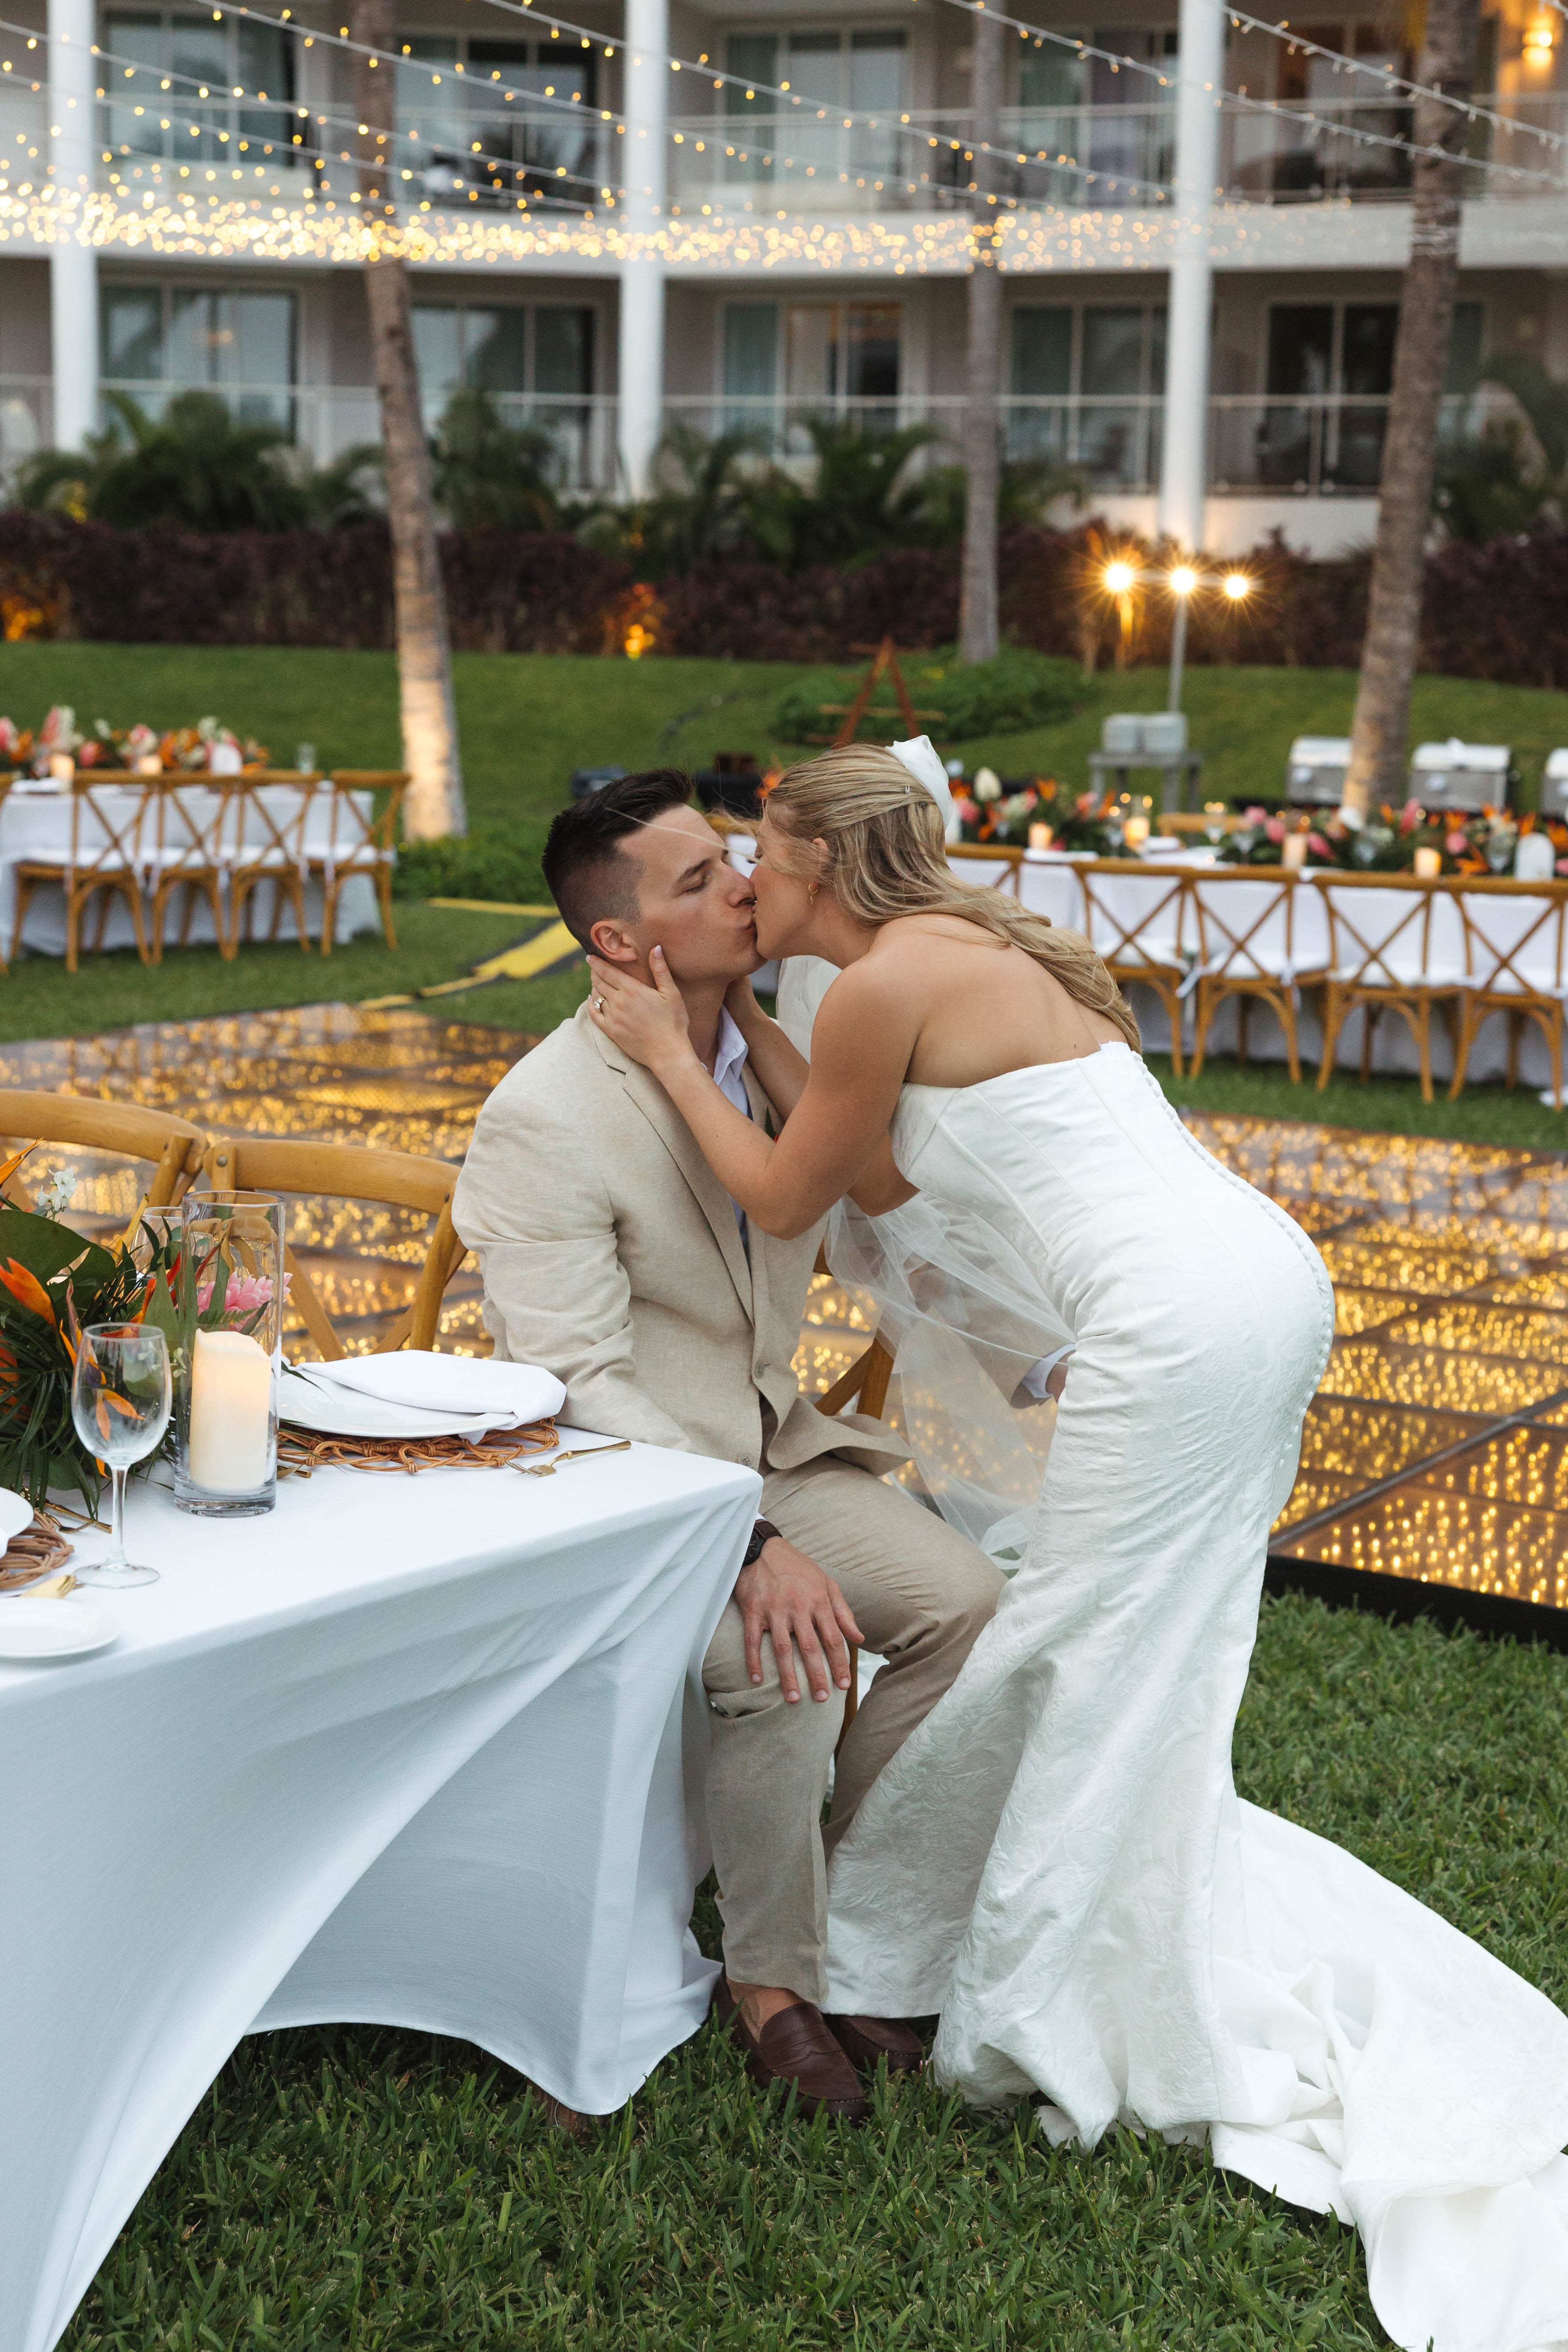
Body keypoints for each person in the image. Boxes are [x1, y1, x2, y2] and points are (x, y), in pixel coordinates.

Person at [584, 741, 1568, 2352]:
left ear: (822, 865)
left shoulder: (892, 980)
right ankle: (946, 1932)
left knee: (1081, 1637)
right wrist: (755, 1029)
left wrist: (668, 1049)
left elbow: (781, 1201)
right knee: (1149, 1647)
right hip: (1260, 1284)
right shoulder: (968, 950)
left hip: (1170, 1330)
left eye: (761, 855)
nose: (747, 884)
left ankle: (960, 1979)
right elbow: (886, 1174)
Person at [451, 769, 1006, 2128]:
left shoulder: (756, 1054)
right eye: (697, 881)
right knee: (786, 1656)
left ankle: (828, 1897)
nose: (744, 886)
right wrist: (743, 1543)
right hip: (632, 1491)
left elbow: (856, 1191)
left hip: (779, 1450)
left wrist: (746, 1014)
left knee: (974, 1611)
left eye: (733, 860)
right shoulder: (542, 1115)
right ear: (618, 945)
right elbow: (576, 1388)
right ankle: (773, 1990)